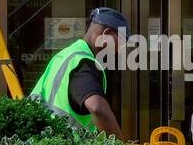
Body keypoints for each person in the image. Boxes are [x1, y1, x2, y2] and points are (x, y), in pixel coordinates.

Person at [29, 7, 126, 136]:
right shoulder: (84, 63)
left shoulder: (65, 55)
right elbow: (97, 108)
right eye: (121, 42)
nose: (120, 49)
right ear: (106, 34)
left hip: (45, 143)